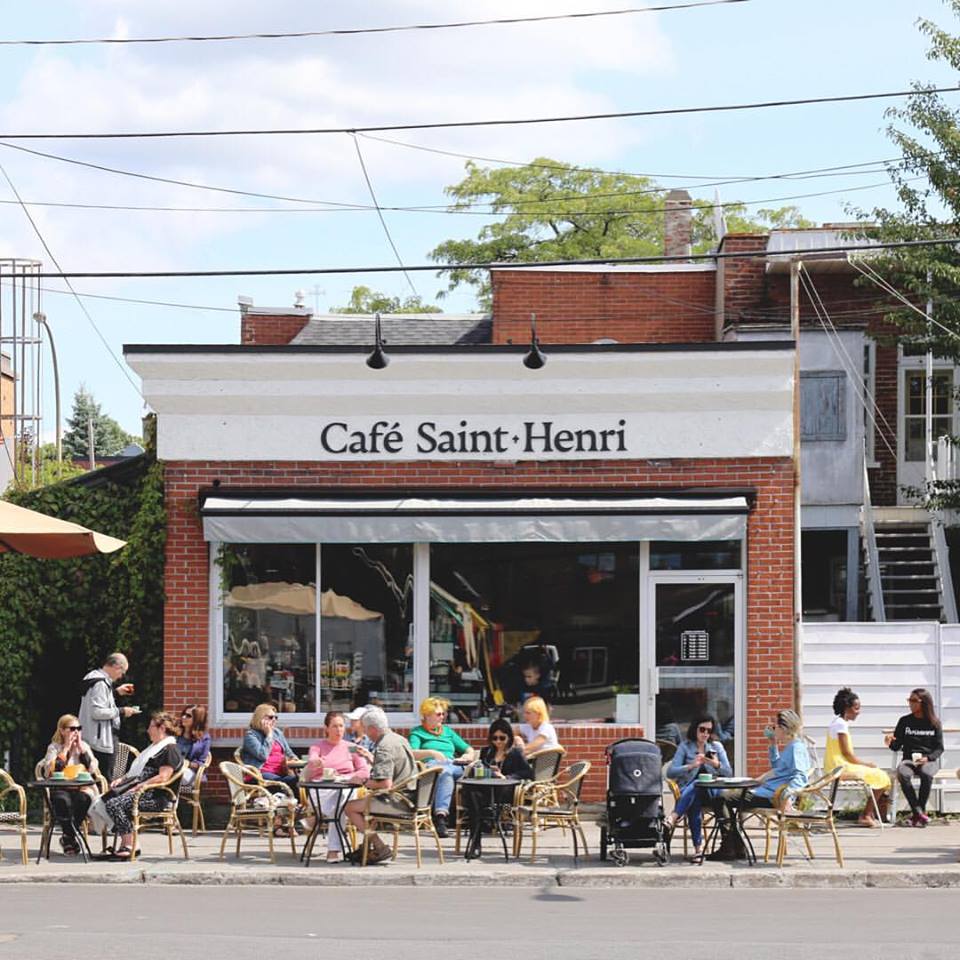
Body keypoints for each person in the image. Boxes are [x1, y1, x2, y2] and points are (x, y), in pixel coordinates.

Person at [708, 709, 809, 861]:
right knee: (725, 798)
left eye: (775, 727)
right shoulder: (791, 747)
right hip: (766, 791)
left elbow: (801, 776)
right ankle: (736, 846)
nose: (773, 730)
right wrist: (773, 743)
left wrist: (787, 796)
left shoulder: (796, 748)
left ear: (784, 728)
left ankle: (729, 846)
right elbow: (777, 767)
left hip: (772, 796)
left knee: (721, 798)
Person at [101, 711, 182, 860]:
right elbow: (137, 772)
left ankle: (130, 844)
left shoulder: (170, 749)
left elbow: (164, 776)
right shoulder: (154, 748)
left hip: (156, 798)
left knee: (114, 804)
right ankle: (129, 843)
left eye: (151, 726)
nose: (148, 730)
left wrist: (140, 786)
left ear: (162, 728)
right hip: (142, 793)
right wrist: (123, 779)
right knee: (104, 800)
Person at [344, 706, 417, 865]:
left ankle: (379, 846)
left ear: (372, 729)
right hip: (412, 797)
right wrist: (371, 759)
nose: (365, 733)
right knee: (367, 806)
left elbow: (384, 783)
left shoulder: (384, 746)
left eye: (365, 729)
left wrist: (361, 781)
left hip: (398, 802)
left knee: (349, 807)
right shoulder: (399, 739)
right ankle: (366, 848)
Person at [304, 710, 371, 862]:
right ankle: (333, 850)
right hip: (321, 789)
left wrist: (348, 777)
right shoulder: (317, 746)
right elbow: (313, 758)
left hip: (345, 788)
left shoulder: (351, 747)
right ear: (326, 728)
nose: (339, 730)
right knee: (339, 806)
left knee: (339, 804)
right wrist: (316, 762)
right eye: (334, 726)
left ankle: (319, 826)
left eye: (341, 726)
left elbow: (364, 770)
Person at [664, 716, 732, 860]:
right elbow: (671, 772)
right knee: (695, 796)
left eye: (709, 730)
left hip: (712, 792)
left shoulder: (716, 747)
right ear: (695, 729)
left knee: (698, 786)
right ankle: (698, 850)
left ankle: (674, 816)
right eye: (702, 729)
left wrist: (715, 764)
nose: (705, 733)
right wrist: (691, 766)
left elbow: (728, 772)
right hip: (690, 791)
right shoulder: (685, 746)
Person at [408, 696, 475, 837]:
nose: (442, 717)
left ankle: (478, 817)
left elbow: (469, 749)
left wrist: (467, 756)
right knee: (445, 773)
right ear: (427, 715)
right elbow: (412, 754)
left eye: (443, 713)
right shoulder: (417, 732)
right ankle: (441, 818)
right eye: (438, 714)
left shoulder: (447, 731)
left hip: (453, 763)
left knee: (476, 771)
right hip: (432, 766)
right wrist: (432, 752)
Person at [824, 687, 890, 827]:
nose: (858, 712)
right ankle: (866, 814)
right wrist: (865, 764)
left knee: (879, 775)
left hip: (838, 765)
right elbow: (847, 754)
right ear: (847, 708)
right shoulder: (840, 725)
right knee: (882, 776)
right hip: (839, 767)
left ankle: (868, 813)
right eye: (856, 708)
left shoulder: (839, 723)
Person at [42, 713, 100, 856]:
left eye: (78, 729)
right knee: (62, 801)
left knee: (83, 799)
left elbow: (93, 768)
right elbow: (52, 769)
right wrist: (66, 748)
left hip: (82, 787)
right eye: (72, 728)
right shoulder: (54, 747)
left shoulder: (84, 746)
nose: (76, 732)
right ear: (62, 730)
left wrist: (80, 748)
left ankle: (68, 837)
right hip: (61, 787)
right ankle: (71, 837)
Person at [885, 687, 944, 827]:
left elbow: (939, 748)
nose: (910, 703)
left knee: (926, 774)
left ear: (923, 703)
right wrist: (889, 742)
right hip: (908, 760)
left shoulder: (934, 723)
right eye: (909, 700)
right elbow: (896, 745)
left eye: (913, 700)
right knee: (903, 774)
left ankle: (919, 813)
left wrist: (928, 758)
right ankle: (918, 812)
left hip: (927, 760)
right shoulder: (905, 721)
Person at [78, 652, 136, 781]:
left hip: (93, 737)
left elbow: (98, 703)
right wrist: (122, 711)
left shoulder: (94, 678)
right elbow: (97, 712)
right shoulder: (100, 683)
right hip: (100, 741)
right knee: (104, 781)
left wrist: (115, 692)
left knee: (96, 780)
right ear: (116, 666)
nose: (122, 676)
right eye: (123, 671)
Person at [240, 702, 300, 792]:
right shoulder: (251, 735)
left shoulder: (277, 733)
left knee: (301, 782)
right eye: (271, 717)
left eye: (276, 717)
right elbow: (263, 755)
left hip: (280, 773)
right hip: (260, 775)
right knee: (289, 783)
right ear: (260, 718)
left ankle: (298, 805)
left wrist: (296, 761)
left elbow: (289, 752)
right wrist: (269, 735)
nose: (274, 720)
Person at [176, 705, 211, 789]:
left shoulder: (204, 738)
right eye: (183, 714)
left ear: (197, 719)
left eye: (188, 716)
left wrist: (185, 763)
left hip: (190, 772)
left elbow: (201, 763)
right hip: (170, 769)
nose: (183, 717)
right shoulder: (175, 734)